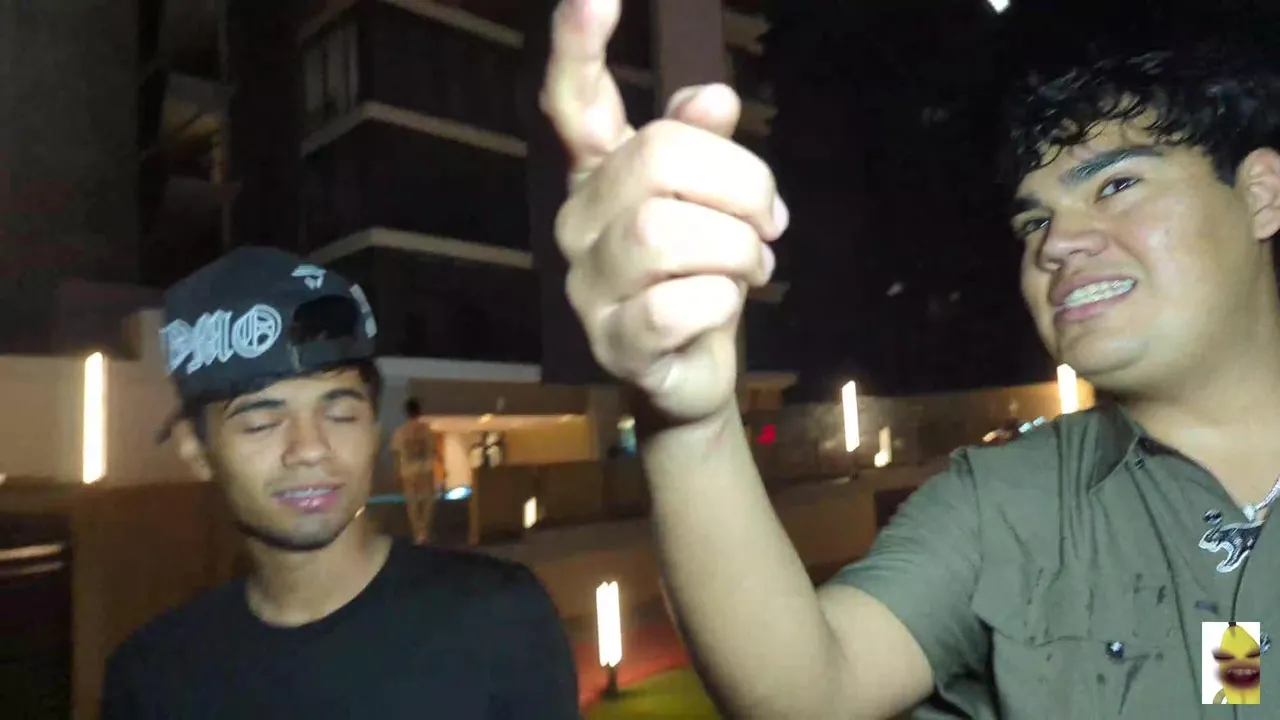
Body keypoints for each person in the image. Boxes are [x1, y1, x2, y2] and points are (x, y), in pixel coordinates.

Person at [542, 0, 1280, 717]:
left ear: (1260, 194)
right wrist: (688, 419)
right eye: (1034, 222)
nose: (1056, 244)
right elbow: (808, 689)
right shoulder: (1004, 504)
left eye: (1116, 185)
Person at [101, 247, 579, 719]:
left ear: (374, 428)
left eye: (340, 414)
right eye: (261, 423)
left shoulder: (500, 620)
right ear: (196, 451)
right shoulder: (153, 678)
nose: (311, 448)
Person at [391, 397, 441, 544]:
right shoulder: (427, 430)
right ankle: (424, 531)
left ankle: (417, 533)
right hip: (426, 469)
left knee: (412, 504)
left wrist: (397, 473)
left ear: (406, 412)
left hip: (408, 471)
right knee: (428, 501)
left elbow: (396, 453)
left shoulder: (400, 431)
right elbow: (434, 450)